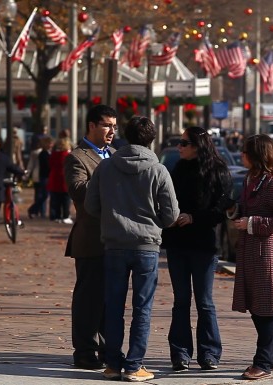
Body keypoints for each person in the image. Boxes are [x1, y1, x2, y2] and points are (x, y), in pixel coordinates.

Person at [84, 116, 179, 382]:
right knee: (142, 308)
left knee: (113, 306)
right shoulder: (158, 170)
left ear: (125, 136)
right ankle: (134, 365)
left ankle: (113, 363)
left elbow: (91, 206)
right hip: (146, 246)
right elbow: (171, 215)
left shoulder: (106, 167)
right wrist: (153, 223)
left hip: (114, 244)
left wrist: (112, 217)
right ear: (151, 139)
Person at [161, 126, 233, 372]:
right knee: (181, 300)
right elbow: (167, 200)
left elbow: (221, 210)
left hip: (203, 243)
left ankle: (209, 353)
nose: (179, 147)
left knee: (204, 301)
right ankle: (180, 353)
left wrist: (194, 218)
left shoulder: (218, 171)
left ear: (198, 146)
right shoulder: (178, 169)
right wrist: (173, 216)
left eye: (184, 143)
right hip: (177, 242)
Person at [228, 134, 273, 380]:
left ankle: (263, 362)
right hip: (249, 251)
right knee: (256, 306)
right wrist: (234, 211)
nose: (241, 155)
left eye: (245, 151)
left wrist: (253, 223)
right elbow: (246, 208)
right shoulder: (250, 178)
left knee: (266, 308)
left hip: (267, 252)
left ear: (257, 155)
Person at [63, 104, 117, 370]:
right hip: (91, 238)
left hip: (117, 239)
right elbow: (79, 191)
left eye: (115, 126)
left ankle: (109, 349)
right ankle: (84, 350)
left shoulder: (116, 155)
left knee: (111, 298)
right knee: (89, 299)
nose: (112, 131)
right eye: (107, 125)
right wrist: (110, 178)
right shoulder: (77, 157)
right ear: (92, 126)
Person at [26, 135, 53, 219]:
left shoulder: (47, 153)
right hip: (44, 176)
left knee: (43, 195)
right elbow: (46, 165)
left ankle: (40, 212)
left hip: (44, 176)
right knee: (43, 195)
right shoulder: (43, 153)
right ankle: (33, 210)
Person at [47, 137, 72, 224]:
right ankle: (65, 216)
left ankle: (55, 216)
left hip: (54, 178)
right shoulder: (68, 155)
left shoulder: (53, 154)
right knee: (65, 200)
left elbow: (50, 165)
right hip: (64, 179)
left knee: (55, 200)